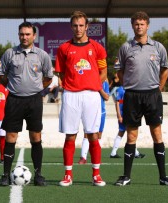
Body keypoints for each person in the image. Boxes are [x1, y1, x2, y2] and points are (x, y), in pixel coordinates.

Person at [114, 11, 168, 186]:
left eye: (142, 24)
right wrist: (129, 84)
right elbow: (120, 71)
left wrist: (158, 88)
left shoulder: (158, 47)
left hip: (152, 96)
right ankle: (126, 176)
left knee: (157, 135)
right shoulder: (125, 47)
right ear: (132, 26)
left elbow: (165, 70)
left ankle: (163, 177)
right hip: (132, 96)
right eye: (136, 24)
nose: (139, 26)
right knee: (131, 136)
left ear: (148, 26)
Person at [0, 22, 53, 186]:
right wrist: (12, 86)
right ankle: (5, 174)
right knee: (10, 137)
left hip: (34, 100)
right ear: (18, 35)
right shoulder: (9, 53)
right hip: (14, 100)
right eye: (22, 34)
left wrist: (37, 88)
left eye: (28, 34)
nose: (24, 37)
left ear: (34, 36)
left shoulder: (42, 55)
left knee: (36, 137)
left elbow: (48, 77)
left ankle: (38, 175)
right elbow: (0, 74)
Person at [55, 11, 107, 187]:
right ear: (71, 27)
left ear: (87, 27)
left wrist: (93, 84)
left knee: (93, 135)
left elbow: (104, 72)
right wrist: (71, 85)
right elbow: (61, 73)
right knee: (70, 136)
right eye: (75, 26)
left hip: (92, 95)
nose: (78, 29)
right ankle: (68, 175)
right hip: (71, 95)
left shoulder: (97, 47)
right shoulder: (63, 49)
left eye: (81, 25)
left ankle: (96, 175)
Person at [78, 79, 109, 164]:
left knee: (98, 135)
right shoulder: (88, 80)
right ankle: (83, 157)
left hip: (101, 112)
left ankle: (96, 158)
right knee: (87, 134)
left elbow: (106, 97)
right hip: (90, 110)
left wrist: (99, 88)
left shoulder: (105, 82)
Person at [110, 85, 145, 159]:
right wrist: (119, 115)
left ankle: (134, 152)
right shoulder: (121, 89)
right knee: (123, 132)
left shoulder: (131, 88)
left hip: (129, 114)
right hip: (123, 114)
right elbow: (118, 102)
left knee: (129, 132)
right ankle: (114, 153)